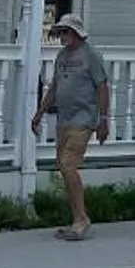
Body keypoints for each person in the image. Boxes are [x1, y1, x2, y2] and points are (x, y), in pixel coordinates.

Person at [29, 13, 109, 240]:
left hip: (83, 119)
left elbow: (102, 87)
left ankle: (82, 219)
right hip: (64, 118)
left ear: (76, 32)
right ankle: (76, 217)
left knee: (68, 164)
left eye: (66, 32)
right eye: (60, 32)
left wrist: (103, 120)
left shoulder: (91, 56)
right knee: (63, 168)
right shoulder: (62, 57)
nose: (62, 37)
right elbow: (55, 87)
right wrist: (40, 111)